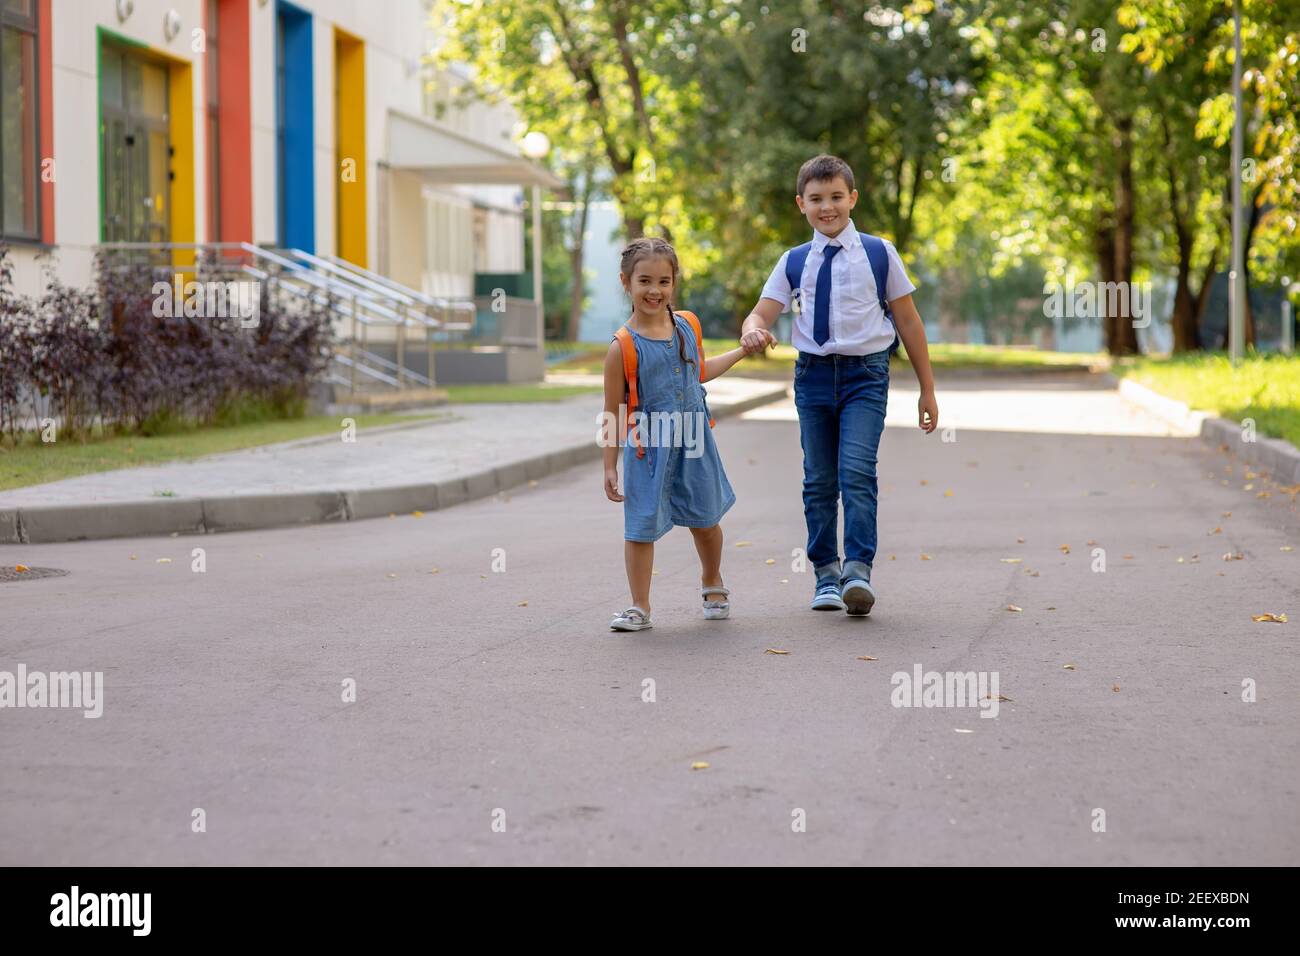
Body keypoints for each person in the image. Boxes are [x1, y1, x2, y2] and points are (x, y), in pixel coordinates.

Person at [739, 154, 939, 616]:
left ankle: (858, 572)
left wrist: (927, 389)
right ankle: (826, 574)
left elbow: (908, 321)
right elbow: (762, 311)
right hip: (812, 378)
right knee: (819, 479)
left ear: (852, 198)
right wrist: (753, 327)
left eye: (835, 197)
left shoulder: (878, 252)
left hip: (865, 376)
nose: (826, 207)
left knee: (856, 473)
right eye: (816, 199)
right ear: (801, 204)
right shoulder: (793, 262)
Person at [602, 237, 762, 632]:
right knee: (640, 526)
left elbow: (700, 371)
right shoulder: (622, 347)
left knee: (705, 518)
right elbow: (613, 410)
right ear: (626, 282)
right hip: (647, 447)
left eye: (663, 281)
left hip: (694, 439)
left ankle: (712, 580)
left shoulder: (687, 325)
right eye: (644, 281)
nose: (654, 290)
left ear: (674, 283)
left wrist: (743, 351)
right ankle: (640, 606)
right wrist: (609, 465)